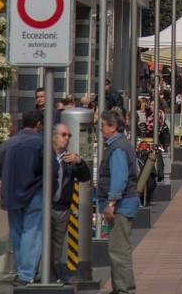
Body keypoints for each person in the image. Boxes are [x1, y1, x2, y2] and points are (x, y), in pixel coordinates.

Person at [0, 109, 44, 285]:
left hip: (11, 196)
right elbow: (52, 169)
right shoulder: (40, 143)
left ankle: (21, 270)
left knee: (17, 233)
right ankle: (25, 274)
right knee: (32, 233)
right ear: (38, 124)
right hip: (34, 195)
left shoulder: (9, 143)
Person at [99, 110, 141, 294]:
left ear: (112, 126)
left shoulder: (117, 148)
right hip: (124, 204)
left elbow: (120, 178)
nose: (101, 130)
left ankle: (124, 289)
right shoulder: (121, 145)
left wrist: (111, 203)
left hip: (121, 206)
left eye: (102, 126)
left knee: (119, 250)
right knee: (118, 248)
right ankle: (120, 287)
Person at [50, 122, 91, 282]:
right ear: (54, 137)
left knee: (57, 244)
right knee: (42, 243)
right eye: (63, 135)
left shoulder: (69, 158)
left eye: (69, 135)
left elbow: (85, 177)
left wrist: (79, 162)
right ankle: (39, 273)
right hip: (45, 207)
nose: (67, 139)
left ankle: (52, 274)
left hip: (62, 208)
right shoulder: (45, 156)